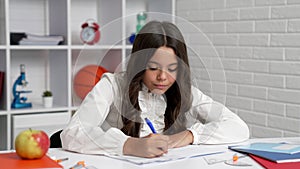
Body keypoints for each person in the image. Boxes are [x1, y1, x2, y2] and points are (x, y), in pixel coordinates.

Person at [61, 20, 249, 158]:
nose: (163, 77)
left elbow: (238, 127)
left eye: (172, 69)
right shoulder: (112, 85)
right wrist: (129, 145)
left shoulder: (185, 92)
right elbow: (72, 133)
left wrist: (190, 135)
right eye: (153, 68)